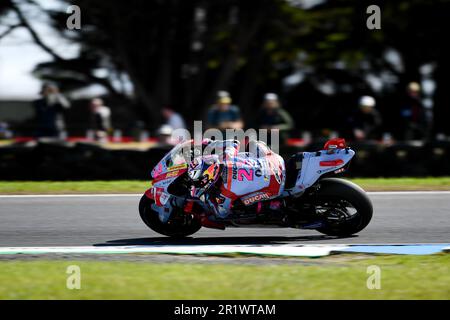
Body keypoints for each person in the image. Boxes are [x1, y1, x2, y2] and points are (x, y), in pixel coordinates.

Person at [184, 139, 285, 228]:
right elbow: (234, 142)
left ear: (209, 175)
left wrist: (207, 199)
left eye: (200, 179)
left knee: (241, 204)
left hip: (275, 186)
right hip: (274, 161)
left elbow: (221, 214)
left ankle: (274, 206)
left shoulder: (225, 191)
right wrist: (210, 143)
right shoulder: (227, 156)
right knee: (253, 145)